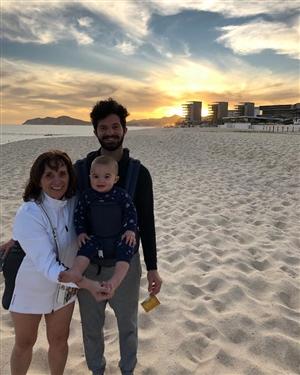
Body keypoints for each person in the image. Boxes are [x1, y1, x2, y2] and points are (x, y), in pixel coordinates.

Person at [76, 98, 163, 375]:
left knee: (128, 325)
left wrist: (152, 268)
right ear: (95, 132)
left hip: (126, 265)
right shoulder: (81, 170)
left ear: (124, 129)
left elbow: (146, 223)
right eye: (103, 128)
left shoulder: (140, 173)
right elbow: (59, 209)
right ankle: (97, 371)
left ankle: (127, 370)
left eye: (116, 126)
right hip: (87, 264)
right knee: (91, 328)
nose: (110, 132)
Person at [6, 150, 108, 375]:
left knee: (60, 340)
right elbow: (47, 265)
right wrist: (87, 284)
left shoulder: (74, 203)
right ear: (38, 179)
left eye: (62, 173)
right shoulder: (29, 212)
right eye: (49, 175)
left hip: (65, 289)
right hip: (31, 287)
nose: (57, 181)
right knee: (25, 342)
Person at [59, 155, 138, 293]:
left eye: (107, 177)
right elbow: (79, 215)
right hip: (96, 237)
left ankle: (115, 281)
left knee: (127, 248)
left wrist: (130, 230)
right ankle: (76, 271)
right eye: (95, 176)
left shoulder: (121, 195)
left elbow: (130, 212)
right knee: (85, 248)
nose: (100, 180)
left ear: (116, 179)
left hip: (118, 237)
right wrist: (81, 232)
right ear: (90, 177)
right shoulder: (87, 196)